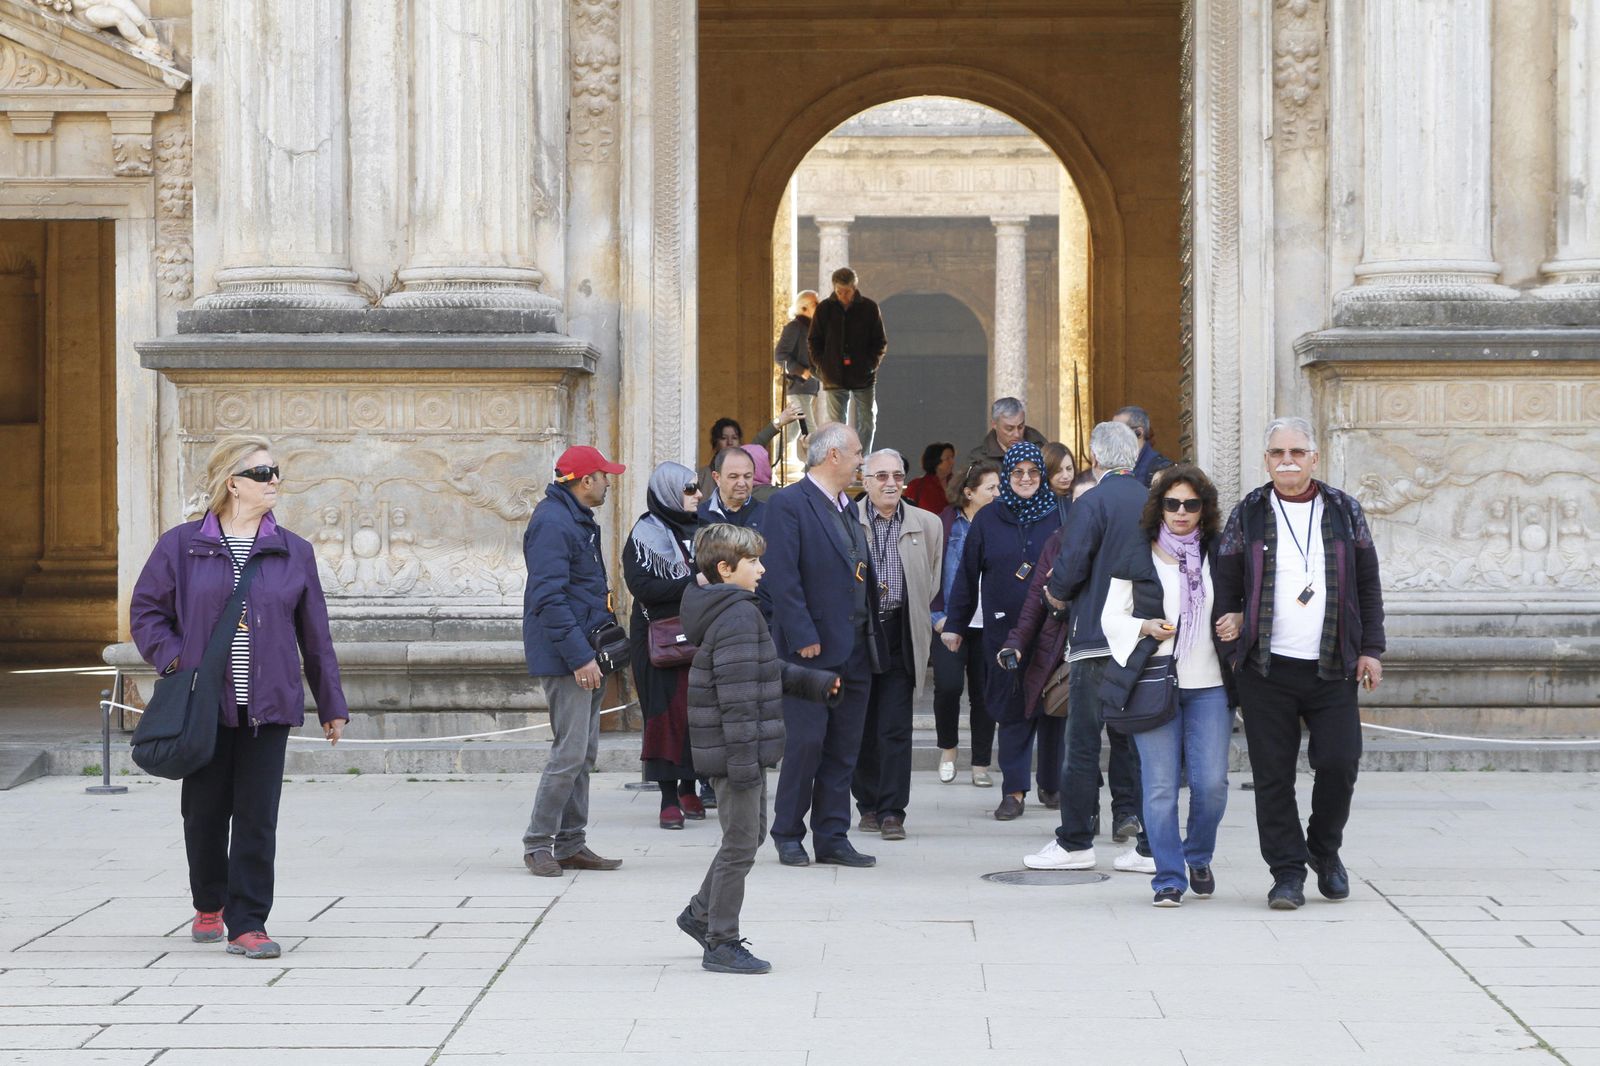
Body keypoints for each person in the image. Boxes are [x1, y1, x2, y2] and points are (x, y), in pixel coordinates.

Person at [130, 435, 349, 960]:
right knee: (204, 813)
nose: (274, 480)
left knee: (257, 816)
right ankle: (210, 900)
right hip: (204, 706)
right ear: (232, 483)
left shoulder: (294, 550)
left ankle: (249, 921)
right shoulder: (181, 546)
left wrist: (331, 703)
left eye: (275, 472)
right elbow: (146, 612)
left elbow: (315, 635)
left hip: (268, 705)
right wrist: (180, 662)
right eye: (261, 473)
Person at [1213, 416, 1386, 910]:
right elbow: (1225, 584)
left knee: (1339, 762)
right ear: (1265, 460)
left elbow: (1368, 586)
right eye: (1276, 453)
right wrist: (1233, 644)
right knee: (1273, 776)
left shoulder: (1343, 510)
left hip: (1332, 664)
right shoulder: (1247, 512)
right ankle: (1287, 873)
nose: (1286, 461)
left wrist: (1370, 649)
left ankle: (1324, 851)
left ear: (1314, 457)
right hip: (1266, 669)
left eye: (1295, 452)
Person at [678, 523, 841, 975]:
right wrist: (744, 765)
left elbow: (762, 669)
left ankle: (699, 913)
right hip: (737, 752)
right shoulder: (737, 615)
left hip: (738, 750)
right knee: (740, 845)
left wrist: (817, 683)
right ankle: (721, 941)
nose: (762, 569)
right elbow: (736, 697)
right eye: (753, 562)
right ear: (726, 568)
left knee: (747, 835)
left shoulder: (735, 608)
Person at [1102, 464, 1236, 907]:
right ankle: (1168, 878)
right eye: (1172, 503)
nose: (1181, 512)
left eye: (1191, 504)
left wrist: (1236, 622)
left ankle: (1198, 855)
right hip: (1154, 679)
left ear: (1204, 509)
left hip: (1210, 683)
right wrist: (1145, 627)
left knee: (1212, 783)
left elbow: (1242, 604)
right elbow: (1110, 616)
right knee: (1159, 788)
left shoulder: (1219, 553)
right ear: (1159, 506)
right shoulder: (1137, 551)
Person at [1025, 421, 1154, 872]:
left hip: (1097, 639)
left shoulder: (1093, 501)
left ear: (1094, 458)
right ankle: (1149, 845)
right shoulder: (1154, 502)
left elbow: (1071, 564)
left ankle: (1076, 841)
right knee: (1143, 741)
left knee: (1081, 744)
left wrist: (1055, 596)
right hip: (1145, 637)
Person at [759, 422, 880, 868]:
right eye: (857, 453)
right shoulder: (789, 504)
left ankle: (832, 835)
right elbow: (782, 575)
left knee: (843, 747)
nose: (861, 460)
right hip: (807, 653)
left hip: (854, 649)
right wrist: (803, 634)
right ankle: (788, 832)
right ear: (833, 456)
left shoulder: (848, 507)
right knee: (806, 743)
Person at [520, 444, 629, 878]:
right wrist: (581, 657)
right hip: (569, 656)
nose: (608, 482)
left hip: (586, 652)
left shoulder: (576, 519)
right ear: (586, 481)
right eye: (604, 476)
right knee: (568, 753)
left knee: (583, 752)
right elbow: (548, 598)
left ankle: (571, 843)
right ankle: (537, 844)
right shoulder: (552, 522)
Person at [943, 442, 1063, 820]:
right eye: (1017, 473)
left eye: (1032, 472)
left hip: (1053, 629)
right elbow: (966, 575)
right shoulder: (988, 519)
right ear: (1007, 477)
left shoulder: (1060, 514)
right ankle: (1014, 790)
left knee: (1055, 705)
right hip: (1002, 630)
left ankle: (1051, 782)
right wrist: (956, 624)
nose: (1025, 479)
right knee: (1012, 709)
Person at [852, 450, 942, 841]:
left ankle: (892, 811)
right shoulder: (846, 521)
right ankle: (866, 803)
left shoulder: (928, 524)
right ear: (865, 480)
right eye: (882, 476)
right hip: (858, 633)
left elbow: (932, 580)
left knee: (895, 725)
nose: (891, 483)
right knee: (859, 724)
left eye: (898, 475)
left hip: (901, 630)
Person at [995, 471, 1097, 810]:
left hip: (1105, 651)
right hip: (1055, 647)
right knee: (1034, 709)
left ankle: (1088, 802)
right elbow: (1035, 600)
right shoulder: (1058, 541)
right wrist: (1016, 641)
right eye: (1079, 503)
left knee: (1082, 732)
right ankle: (1016, 792)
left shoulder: (1120, 542)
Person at [625, 462, 706, 830]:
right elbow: (645, 588)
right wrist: (695, 581)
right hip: (656, 637)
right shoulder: (645, 534)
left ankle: (691, 787)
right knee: (663, 714)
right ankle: (668, 797)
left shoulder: (704, 530)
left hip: (699, 631)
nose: (698, 495)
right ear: (669, 493)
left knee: (696, 711)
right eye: (690, 489)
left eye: (696, 488)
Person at [930, 460, 1002, 787]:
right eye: (991, 488)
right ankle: (948, 749)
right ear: (970, 492)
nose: (998, 494)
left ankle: (980, 762)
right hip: (950, 621)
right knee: (947, 686)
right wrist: (938, 618)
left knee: (984, 694)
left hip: (988, 623)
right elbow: (930, 573)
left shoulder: (1001, 523)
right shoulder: (945, 524)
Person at [808, 267, 888, 450]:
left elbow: (879, 341)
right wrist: (822, 365)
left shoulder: (869, 308)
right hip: (834, 375)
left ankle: (862, 458)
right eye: (839, 292)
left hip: (863, 374)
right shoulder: (824, 309)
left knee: (868, 419)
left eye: (847, 292)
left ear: (855, 288)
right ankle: (843, 459)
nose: (843, 296)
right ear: (834, 289)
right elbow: (814, 340)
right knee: (837, 424)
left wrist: (870, 364)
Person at [698, 410, 802, 496]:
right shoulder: (702, 476)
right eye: (723, 438)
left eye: (734, 438)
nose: (730, 443)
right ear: (715, 442)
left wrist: (779, 421)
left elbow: (759, 441)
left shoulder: (747, 468)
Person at [774, 289, 822, 465]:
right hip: (799, 388)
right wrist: (801, 371)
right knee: (811, 432)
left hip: (808, 389)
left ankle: (770, 462)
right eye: (815, 304)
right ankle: (816, 471)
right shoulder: (795, 327)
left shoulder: (812, 329)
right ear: (803, 308)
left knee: (791, 432)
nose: (819, 307)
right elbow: (780, 355)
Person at [965, 397, 1048, 466]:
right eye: (1009, 428)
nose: (1017, 434)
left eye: (1020, 427)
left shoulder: (1042, 450)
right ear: (994, 424)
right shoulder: (978, 459)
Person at [699, 445, 766, 530]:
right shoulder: (700, 516)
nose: (742, 483)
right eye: (734, 477)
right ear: (717, 478)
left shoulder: (767, 514)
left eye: (747, 476)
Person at [1114, 405, 1174, 487]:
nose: (1112, 436)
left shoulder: (1160, 468)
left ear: (1139, 432)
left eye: (1118, 430)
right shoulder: (1114, 465)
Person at [904, 442, 956, 512]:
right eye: (947, 458)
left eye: (952, 457)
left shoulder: (958, 485)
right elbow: (907, 511)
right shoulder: (917, 486)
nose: (952, 462)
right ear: (936, 461)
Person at [1042, 441, 1078, 527]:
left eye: (1069, 469)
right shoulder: (1038, 502)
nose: (1065, 476)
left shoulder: (1080, 493)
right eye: (1058, 471)